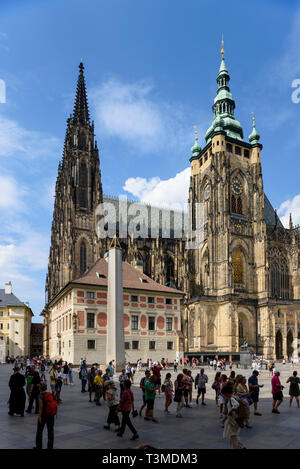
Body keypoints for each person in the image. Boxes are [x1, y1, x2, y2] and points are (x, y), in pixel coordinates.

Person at [33, 383, 57, 450]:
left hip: (44, 415)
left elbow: (41, 407)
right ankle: (50, 447)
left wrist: (39, 416)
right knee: (50, 431)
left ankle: (39, 446)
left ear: (40, 388)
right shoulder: (50, 394)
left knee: (39, 431)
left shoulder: (40, 395)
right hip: (51, 415)